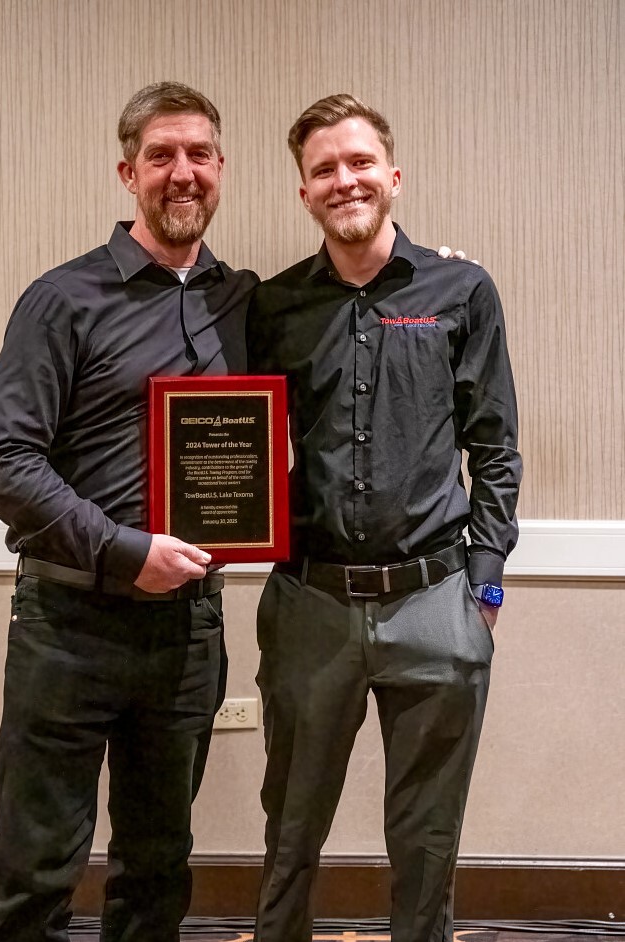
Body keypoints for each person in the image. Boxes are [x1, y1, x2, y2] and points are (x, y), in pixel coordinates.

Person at [0, 82, 257, 942]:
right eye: (160, 156)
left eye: (198, 154)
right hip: (68, 624)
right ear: (127, 172)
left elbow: (337, 329)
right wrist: (124, 549)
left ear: (220, 170)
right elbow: (0, 458)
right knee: (35, 869)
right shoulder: (62, 299)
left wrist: (423, 282)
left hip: (189, 631)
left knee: (158, 868)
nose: (182, 173)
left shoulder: (243, 302)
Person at [246, 94, 522, 942]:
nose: (344, 180)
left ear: (392, 176)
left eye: (358, 163)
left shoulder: (459, 289)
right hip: (310, 604)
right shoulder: (274, 306)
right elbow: (229, 440)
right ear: (303, 193)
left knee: (426, 839)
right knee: (290, 832)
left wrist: (483, 584)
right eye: (323, 169)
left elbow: (496, 448)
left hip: (433, 601)